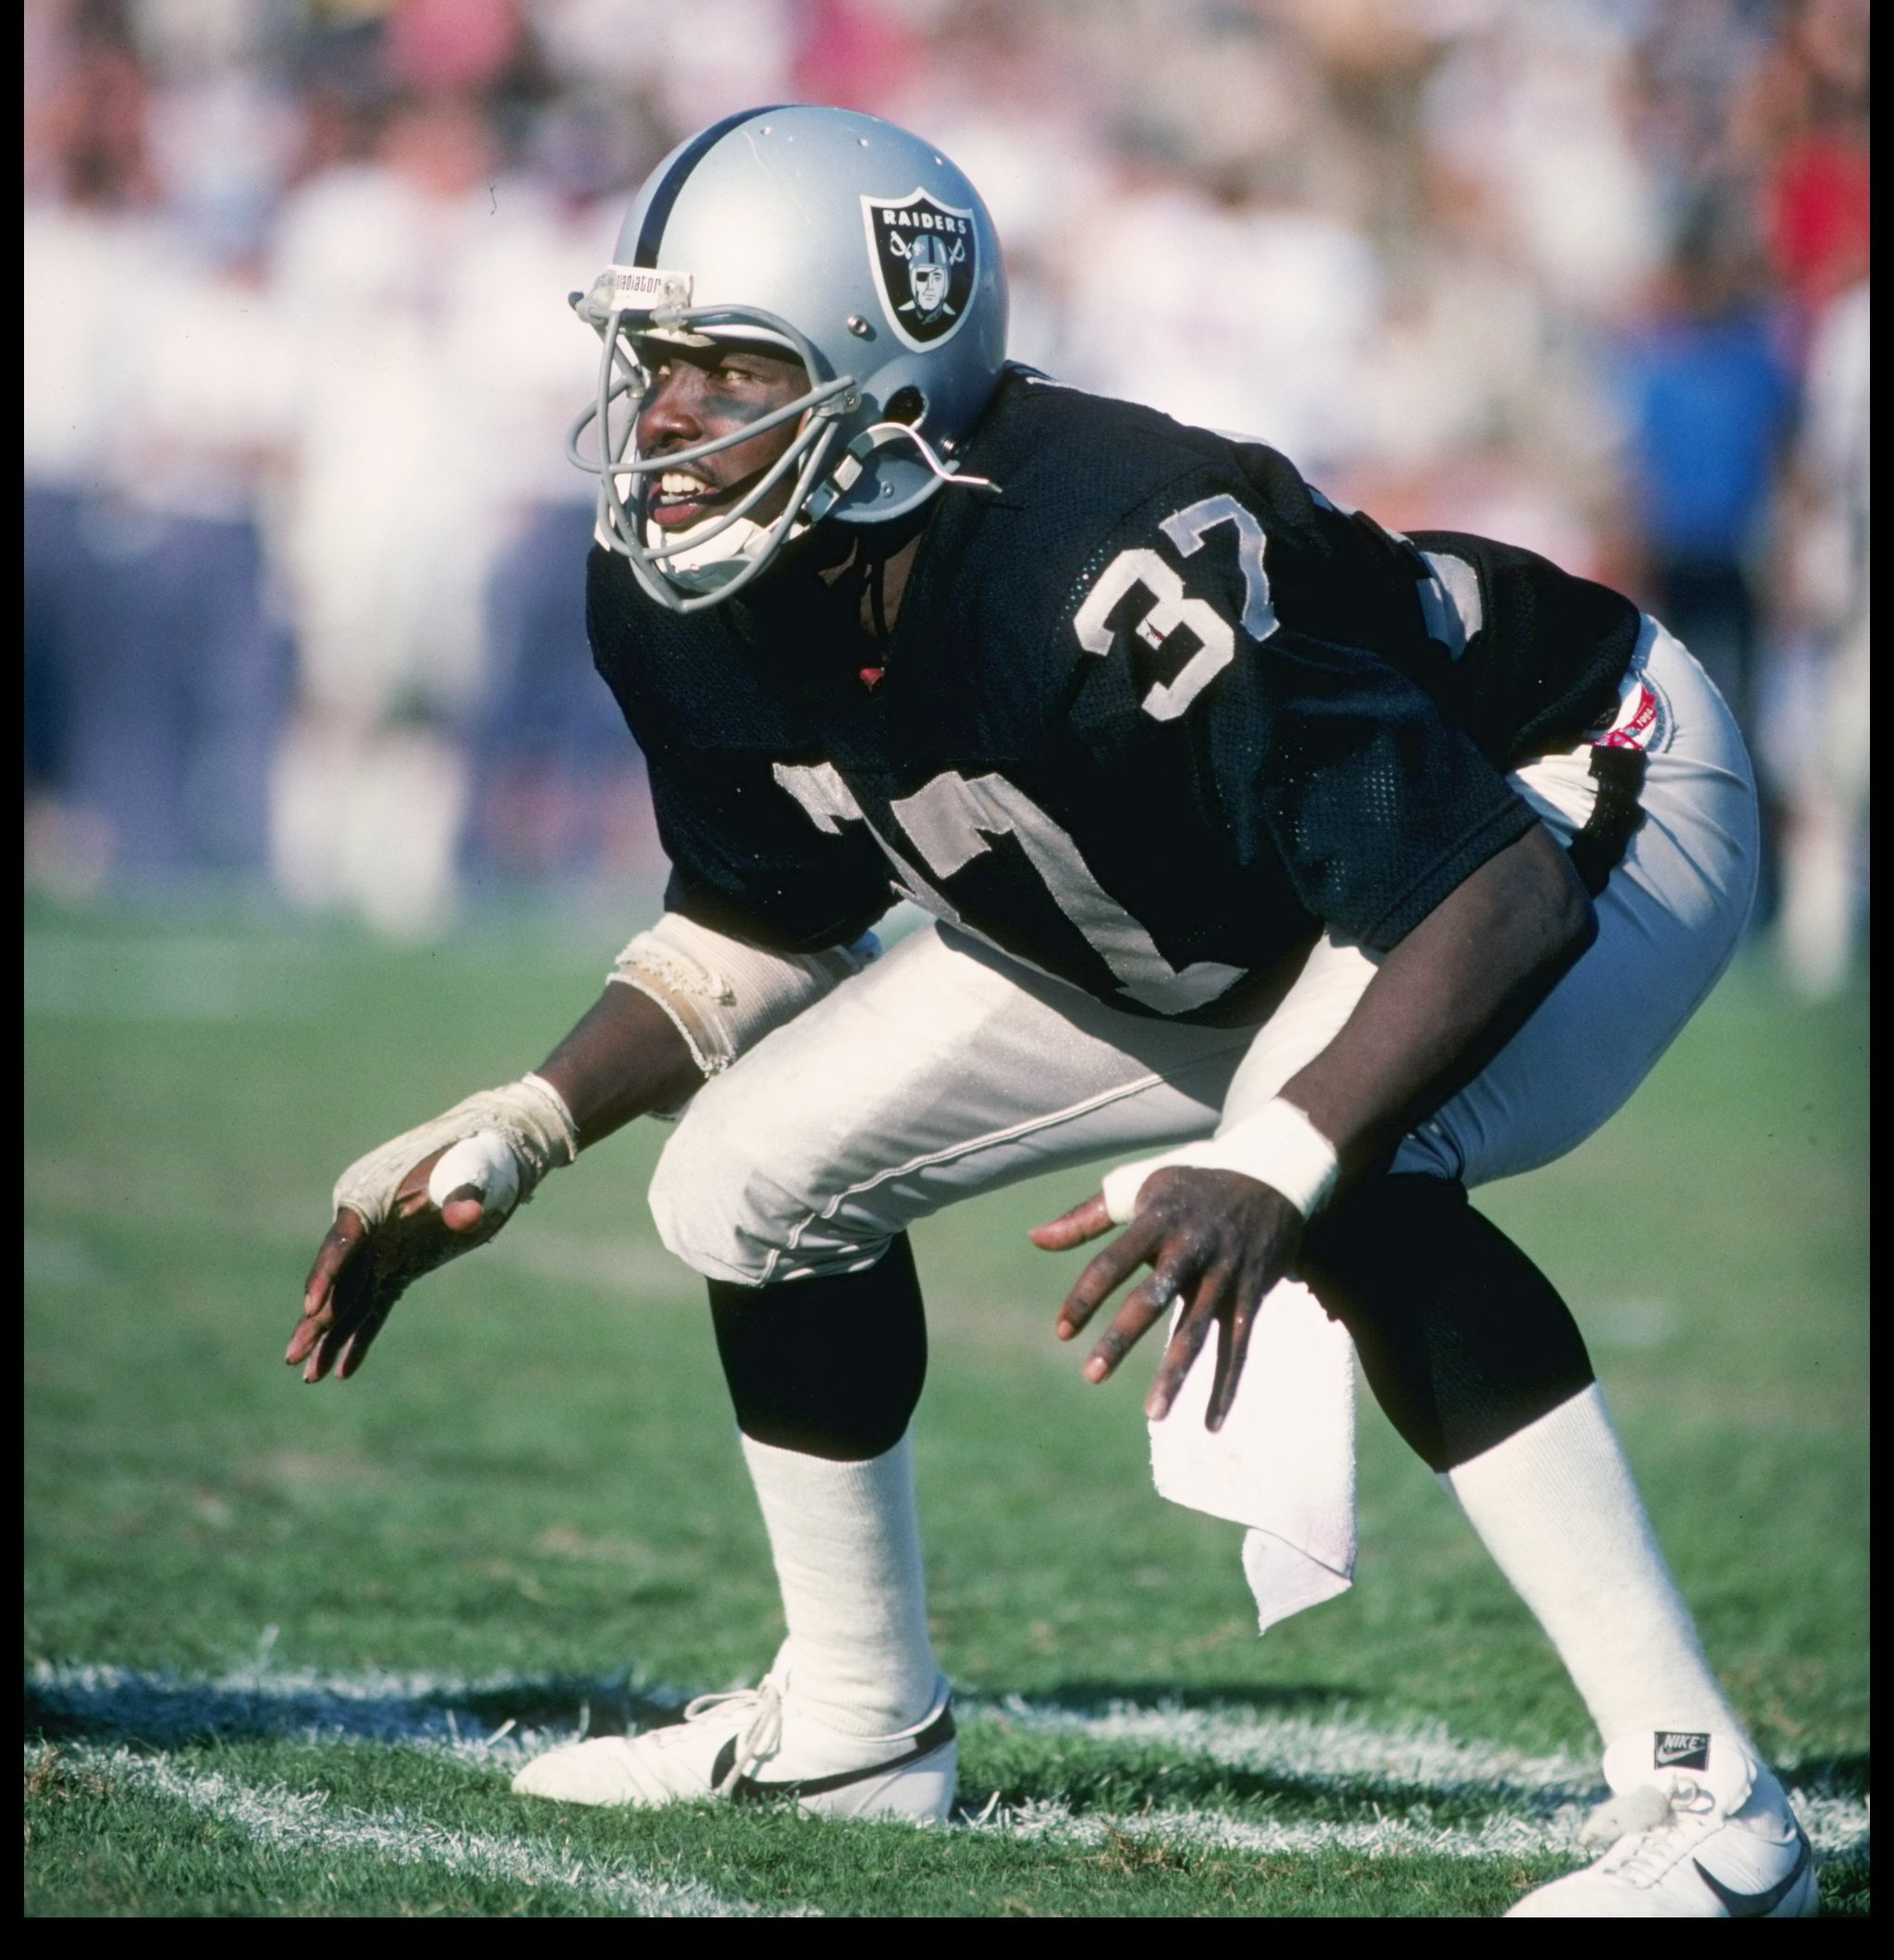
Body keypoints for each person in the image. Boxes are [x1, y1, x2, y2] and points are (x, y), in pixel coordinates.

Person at [286, 105, 1816, 1919]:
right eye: (655, 365)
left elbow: (1483, 891)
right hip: (1233, 910)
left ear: (887, 388)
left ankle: (1706, 1800)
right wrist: (528, 1124)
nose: (670, 423)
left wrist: (1277, 1156)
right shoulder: (680, 589)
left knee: (1359, 1180)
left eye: (730, 369)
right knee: (746, 1183)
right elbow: (766, 914)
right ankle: (857, 1723)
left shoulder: (1094, 562)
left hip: (1565, 795)